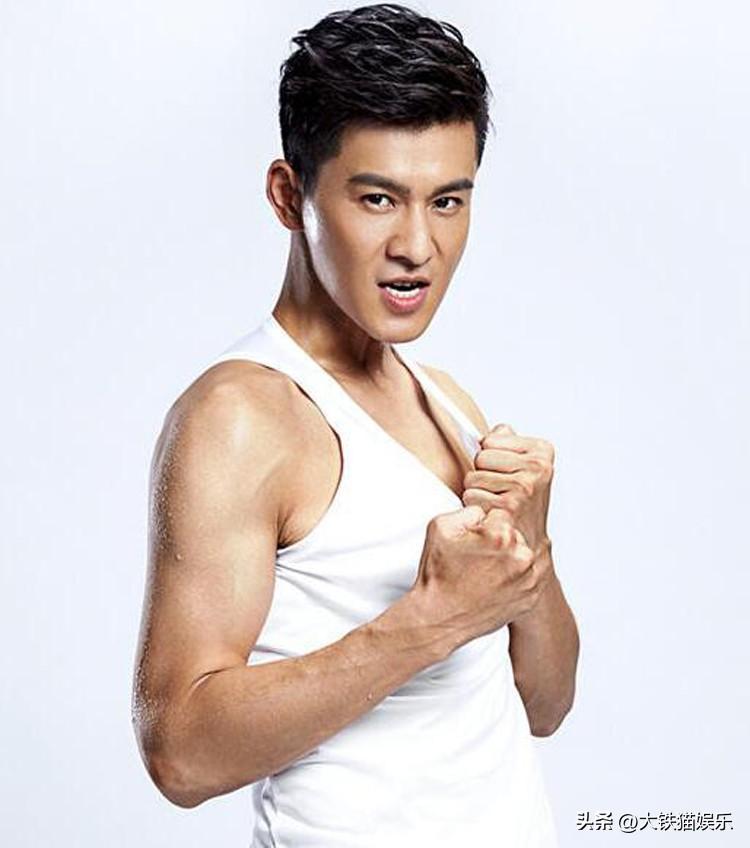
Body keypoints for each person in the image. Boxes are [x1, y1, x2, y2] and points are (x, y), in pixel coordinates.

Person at [132, 4, 579, 846]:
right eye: (378, 198)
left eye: (447, 201)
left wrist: (533, 549)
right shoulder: (240, 417)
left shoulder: (447, 403)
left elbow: (546, 703)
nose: (417, 244)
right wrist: (430, 620)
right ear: (288, 194)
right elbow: (180, 754)